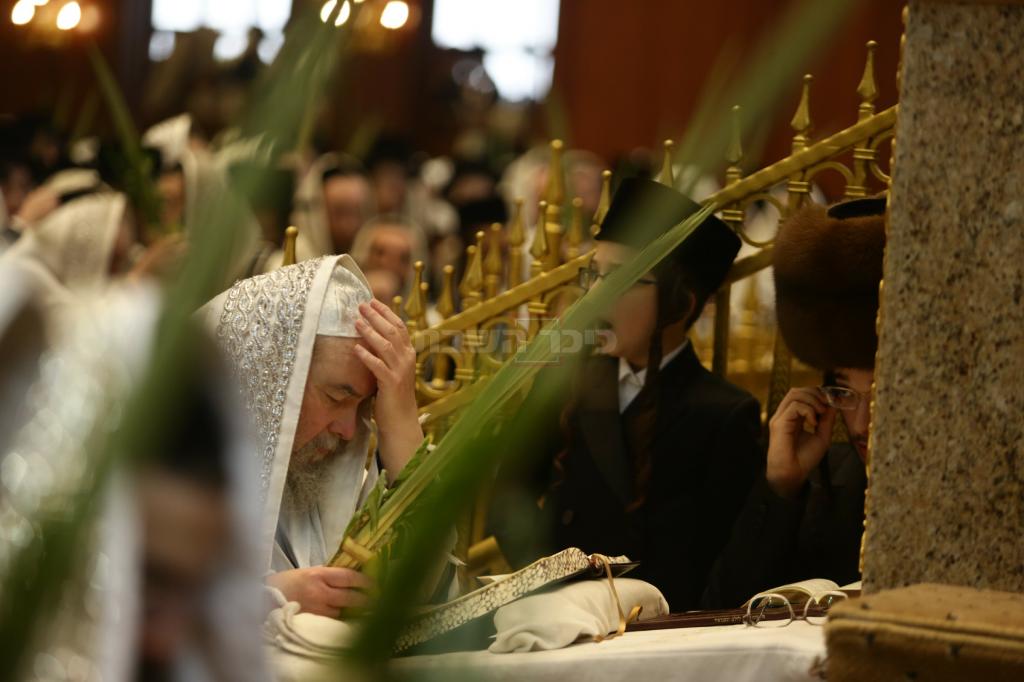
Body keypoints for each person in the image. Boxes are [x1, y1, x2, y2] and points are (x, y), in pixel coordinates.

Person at [493, 177, 762, 611]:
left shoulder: (724, 414)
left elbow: (727, 564)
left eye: (621, 277)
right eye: (594, 274)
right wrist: (549, 592)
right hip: (563, 622)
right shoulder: (566, 380)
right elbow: (509, 496)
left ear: (681, 303)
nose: (595, 296)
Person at [200, 254, 423, 617]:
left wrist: (401, 421)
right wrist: (271, 596)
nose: (348, 431)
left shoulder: (316, 478)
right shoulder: (170, 466)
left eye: (362, 407)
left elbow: (426, 593)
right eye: (336, 397)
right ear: (271, 378)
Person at [702, 196, 885, 608]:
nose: (860, 424)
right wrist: (780, 487)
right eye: (844, 393)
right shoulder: (824, 479)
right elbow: (726, 611)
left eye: (880, 395)